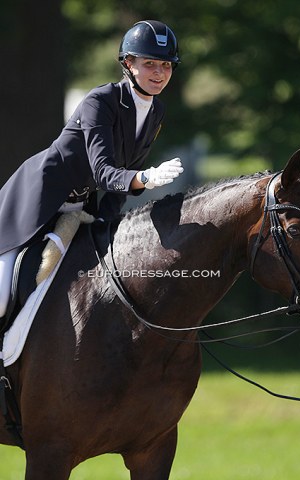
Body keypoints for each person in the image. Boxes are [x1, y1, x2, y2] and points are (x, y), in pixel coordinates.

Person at [0, 20, 184, 319]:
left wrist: (105, 223)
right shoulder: (100, 101)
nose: (160, 73)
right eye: (150, 63)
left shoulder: (156, 111)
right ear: (128, 63)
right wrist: (145, 178)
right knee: (1, 297)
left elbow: (125, 172)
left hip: (77, 207)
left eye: (166, 65)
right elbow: (104, 172)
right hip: (35, 200)